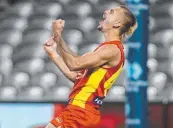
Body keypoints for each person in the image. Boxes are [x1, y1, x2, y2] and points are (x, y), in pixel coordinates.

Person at [44, 6, 137, 128]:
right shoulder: (106, 48)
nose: (105, 11)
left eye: (112, 12)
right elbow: (75, 76)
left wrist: (57, 35)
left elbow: (74, 64)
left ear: (117, 23)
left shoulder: (112, 50)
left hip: (81, 111)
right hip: (78, 110)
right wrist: (53, 54)